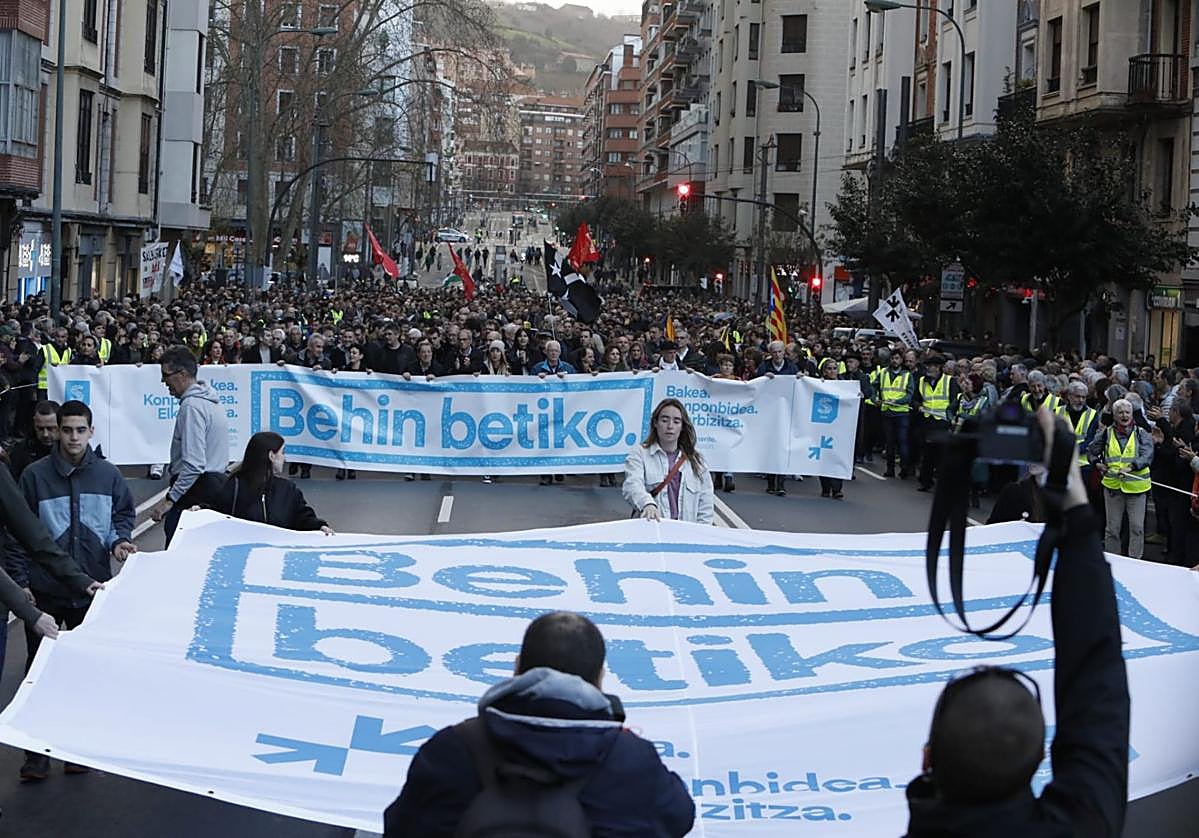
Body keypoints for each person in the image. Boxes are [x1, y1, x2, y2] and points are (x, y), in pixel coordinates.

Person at [905, 409, 1129, 838]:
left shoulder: (1088, 821)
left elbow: (1095, 682)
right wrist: (1076, 511)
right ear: (1042, 757)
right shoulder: (1083, 825)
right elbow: (1095, 675)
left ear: (927, 759)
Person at [383, 611, 694, 837]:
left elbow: (400, 826)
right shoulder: (631, 759)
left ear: (517, 669)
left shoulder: (452, 749)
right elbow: (680, 818)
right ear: (599, 679)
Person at [9, 399, 135, 780]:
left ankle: (73, 747)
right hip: (45, 590)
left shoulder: (109, 476)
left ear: (91, 432)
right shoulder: (33, 476)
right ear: (56, 431)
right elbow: (16, 531)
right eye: (67, 430)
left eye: (81, 430)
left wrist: (120, 541)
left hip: (91, 589)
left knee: (83, 672)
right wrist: (22, 582)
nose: (73, 437)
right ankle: (36, 753)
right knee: (39, 671)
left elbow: (122, 516)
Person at [150, 347, 230, 546]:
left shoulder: (192, 407)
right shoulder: (210, 402)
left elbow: (194, 464)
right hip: (215, 487)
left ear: (182, 374)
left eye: (166, 375)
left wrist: (170, 499)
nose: (163, 381)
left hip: (194, 493)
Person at [213, 432, 332, 533]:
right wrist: (201, 510)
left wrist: (318, 526)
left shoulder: (288, 489)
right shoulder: (234, 487)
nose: (284, 458)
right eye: (282, 452)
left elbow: (302, 517)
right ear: (271, 456)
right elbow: (216, 515)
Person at [622, 398, 714, 524]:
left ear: (682, 426)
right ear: (655, 422)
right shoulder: (639, 454)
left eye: (676, 422)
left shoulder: (697, 461)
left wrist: (702, 533)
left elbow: (706, 504)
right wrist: (647, 504)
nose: (670, 426)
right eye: (664, 420)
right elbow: (632, 485)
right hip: (652, 530)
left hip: (686, 534)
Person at [1087, 397, 1153, 559]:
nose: (1124, 415)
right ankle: (1113, 560)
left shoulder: (1141, 433)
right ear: (1114, 415)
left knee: (1137, 528)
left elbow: (1148, 455)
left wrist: (1131, 467)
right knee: (1112, 529)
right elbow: (1091, 451)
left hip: (1137, 489)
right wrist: (1097, 464)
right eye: (1120, 412)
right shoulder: (1106, 433)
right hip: (1113, 488)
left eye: (1127, 412)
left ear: (1132, 414)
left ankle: (1135, 560)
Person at [915, 355, 958, 493]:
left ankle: (942, 483)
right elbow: (915, 399)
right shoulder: (922, 381)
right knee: (927, 453)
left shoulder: (950, 381)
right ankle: (925, 481)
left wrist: (951, 416)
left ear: (939, 368)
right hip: (927, 420)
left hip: (942, 421)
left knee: (941, 454)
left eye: (932, 366)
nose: (929, 368)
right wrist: (918, 406)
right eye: (928, 366)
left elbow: (954, 400)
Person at [878, 350, 915, 479]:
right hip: (887, 412)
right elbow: (874, 386)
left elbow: (909, 395)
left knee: (902, 442)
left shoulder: (907, 375)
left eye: (897, 358)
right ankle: (890, 469)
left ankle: (904, 469)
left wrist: (897, 401)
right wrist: (874, 397)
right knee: (890, 443)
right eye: (893, 358)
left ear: (901, 360)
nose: (895, 361)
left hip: (901, 413)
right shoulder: (883, 373)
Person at [6, 400, 60, 480]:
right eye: (40, 429)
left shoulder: (71, 451)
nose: (45, 434)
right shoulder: (20, 453)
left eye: (51, 428)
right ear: (34, 423)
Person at [817, 359, 846, 499]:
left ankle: (837, 489)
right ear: (824, 371)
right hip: (823, 424)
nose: (832, 371)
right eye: (829, 368)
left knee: (837, 455)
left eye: (835, 368)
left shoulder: (846, 385)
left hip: (839, 427)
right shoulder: (818, 385)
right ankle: (825, 487)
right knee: (824, 456)